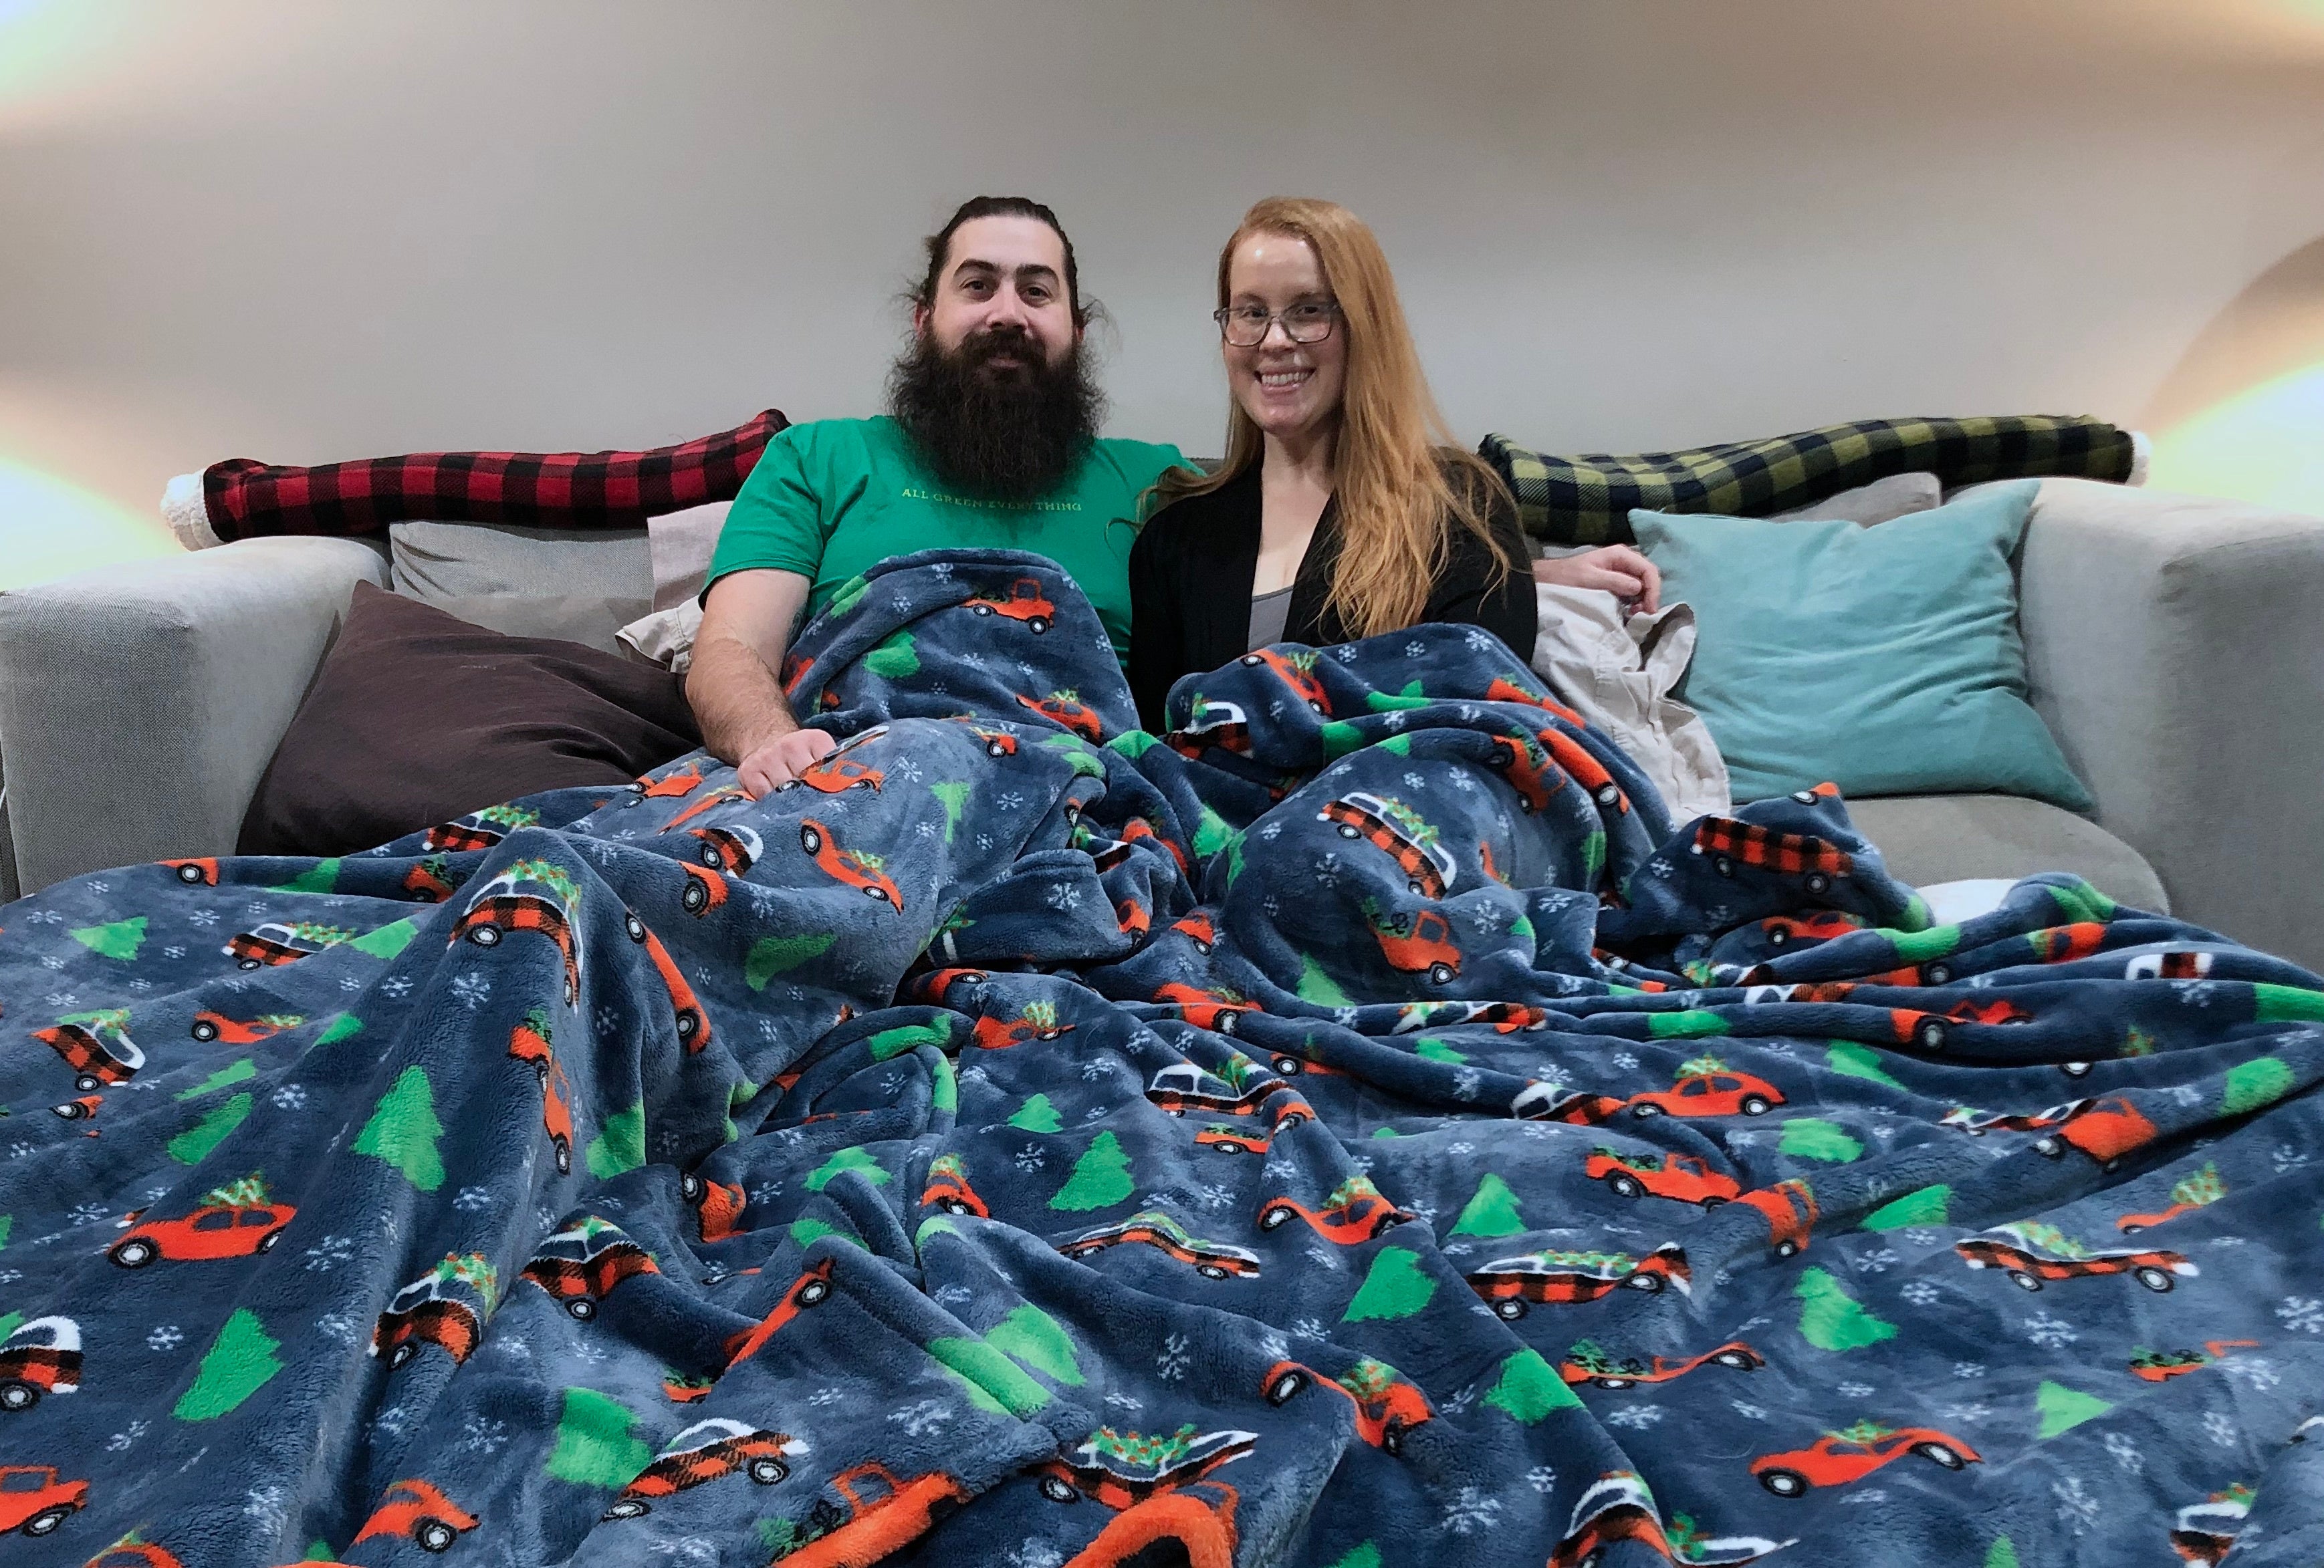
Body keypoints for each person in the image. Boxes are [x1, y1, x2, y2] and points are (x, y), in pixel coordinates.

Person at [690, 196, 1189, 795]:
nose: (1007, 314)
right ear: (924, 319)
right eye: (978, 285)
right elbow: (731, 646)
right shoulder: (816, 457)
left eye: (1037, 292)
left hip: (1078, 794)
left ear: (1077, 331)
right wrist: (770, 742)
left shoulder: (1159, 481)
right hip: (845, 786)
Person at [1127, 196, 1657, 733]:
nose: (1275, 340)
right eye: (1251, 313)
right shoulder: (1174, 539)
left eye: (1309, 310)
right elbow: (1157, 753)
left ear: (1365, 326)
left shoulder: (1460, 507)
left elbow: (1480, 727)